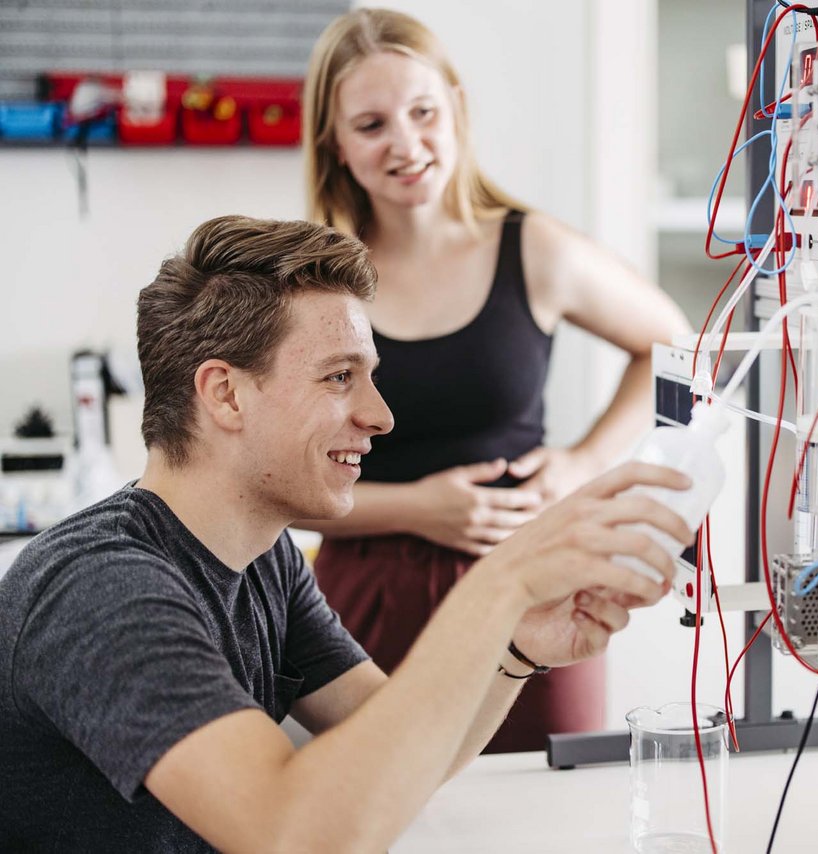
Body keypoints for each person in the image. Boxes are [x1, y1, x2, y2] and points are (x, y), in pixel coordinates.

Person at [0, 215, 693, 852]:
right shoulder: (99, 587)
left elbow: (401, 749)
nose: (381, 416)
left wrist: (513, 643)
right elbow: (289, 831)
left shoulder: (263, 555)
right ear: (225, 394)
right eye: (340, 378)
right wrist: (500, 580)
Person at [295, 7, 691, 751]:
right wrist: (417, 508)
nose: (406, 145)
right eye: (373, 124)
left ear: (457, 109)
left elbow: (675, 346)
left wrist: (584, 460)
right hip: (365, 607)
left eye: (423, 112)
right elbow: (277, 493)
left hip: (534, 588)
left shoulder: (534, 248)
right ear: (335, 144)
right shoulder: (313, 286)